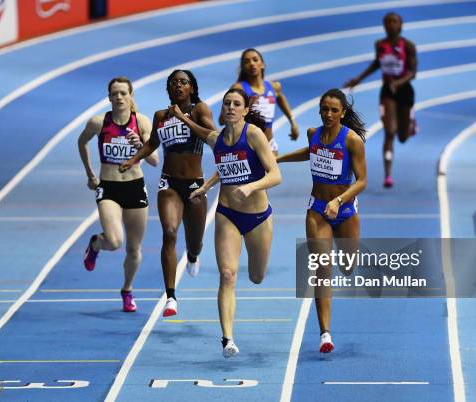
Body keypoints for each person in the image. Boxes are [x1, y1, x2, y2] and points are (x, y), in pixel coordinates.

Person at [169, 88, 282, 358]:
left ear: (244, 110)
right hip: (227, 213)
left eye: (236, 104)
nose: (230, 107)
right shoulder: (216, 139)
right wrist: (206, 187)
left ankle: (232, 328)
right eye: (227, 103)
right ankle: (227, 339)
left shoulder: (253, 134)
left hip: (257, 217)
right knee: (228, 275)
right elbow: (225, 165)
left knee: (256, 277)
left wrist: (252, 187)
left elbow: (276, 175)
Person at [119, 70, 216, 317]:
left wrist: (183, 119)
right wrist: (133, 159)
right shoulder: (160, 115)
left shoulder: (200, 110)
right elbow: (152, 144)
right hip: (169, 184)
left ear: (192, 88)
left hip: (195, 185)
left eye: (183, 82)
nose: (178, 86)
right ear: (168, 89)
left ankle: (193, 256)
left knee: (194, 243)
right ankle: (171, 297)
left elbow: (212, 137)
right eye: (173, 83)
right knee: (170, 233)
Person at [277, 88, 367, 353]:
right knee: (322, 269)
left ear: (343, 113)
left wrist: (338, 201)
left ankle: (345, 258)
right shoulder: (312, 134)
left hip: (345, 209)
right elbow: (311, 151)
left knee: (348, 267)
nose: (328, 114)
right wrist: (279, 159)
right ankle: (325, 334)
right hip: (317, 209)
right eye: (324, 109)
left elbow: (362, 180)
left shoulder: (352, 141)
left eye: (334, 110)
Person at [78, 76, 159, 313]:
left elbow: (154, 161)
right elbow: (81, 142)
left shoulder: (142, 123)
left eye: (124, 93)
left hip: (135, 187)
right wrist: (90, 175)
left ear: (131, 96)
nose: (119, 97)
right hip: (109, 188)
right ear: (109, 97)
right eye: (115, 93)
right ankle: (96, 244)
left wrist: (139, 146)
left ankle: (127, 289)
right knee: (114, 242)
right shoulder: (98, 123)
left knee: (134, 249)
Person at [343, 11, 416, 188]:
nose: (390, 24)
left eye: (394, 21)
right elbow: (377, 63)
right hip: (387, 92)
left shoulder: (408, 46)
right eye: (387, 22)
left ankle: (410, 123)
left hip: (405, 91)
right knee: (389, 131)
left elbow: (413, 72)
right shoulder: (380, 44)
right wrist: (358, 79)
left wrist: (398, 83)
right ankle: (388, 175)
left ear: (400, 25)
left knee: (403, 137)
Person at [220, 48, 300, 154]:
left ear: (263, 64)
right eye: (247, 62)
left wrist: (292, 121)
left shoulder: (274, 86)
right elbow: (222, 120)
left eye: (255, 60)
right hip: (247, 144)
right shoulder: (239, 88)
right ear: (243, 68)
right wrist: (246, 108)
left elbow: (280, 97)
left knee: (273, 171)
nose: (252, 64)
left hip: (269, 144)